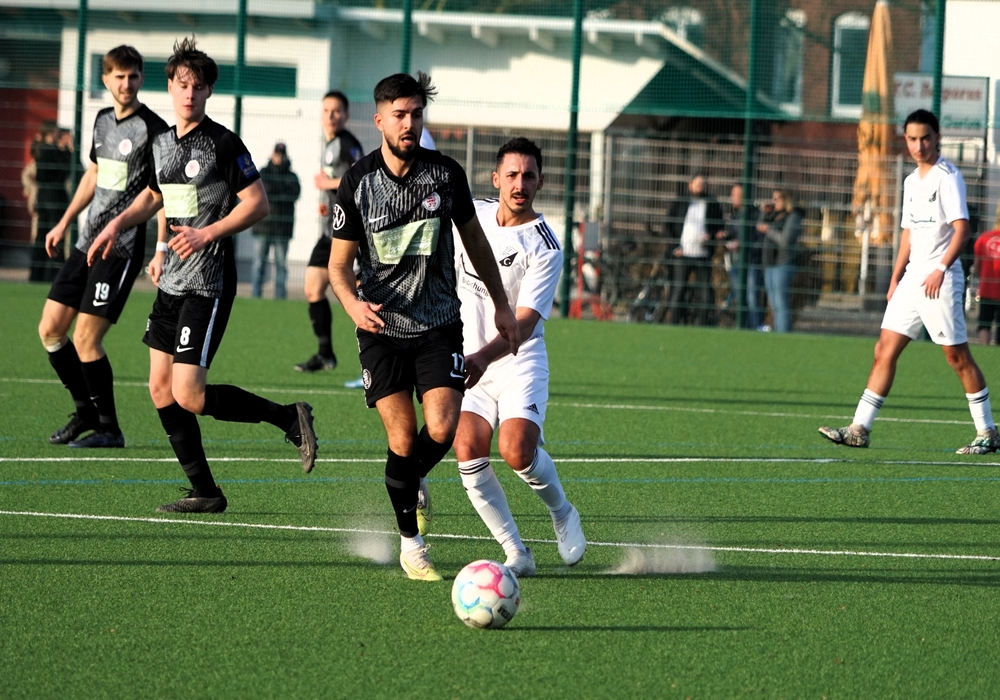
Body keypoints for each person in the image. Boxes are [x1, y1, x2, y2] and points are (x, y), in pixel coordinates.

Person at [89, 37, 318, 513]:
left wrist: (207, 233)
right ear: (170, 87)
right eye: (182, 84)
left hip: (207, 283)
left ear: (209, 90)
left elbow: (258, 203)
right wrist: (122, 227)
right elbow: (155, 197)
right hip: (170, 281)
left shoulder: (223, 143)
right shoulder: (160, 143)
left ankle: (288, 418)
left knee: (189, 394)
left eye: (197, 86)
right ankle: (206, 492)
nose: (189, 93)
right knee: (159, 388)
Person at [327, 72, 519, 581]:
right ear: (379, 121)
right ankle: (412, 545)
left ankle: (409, 482)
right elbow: (338, 266)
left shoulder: (445, 175)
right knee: (402, 436)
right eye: (399, 115)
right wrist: (352, 306)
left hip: (438, 323)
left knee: (441, 428)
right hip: (380, 327)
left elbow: (476, 243)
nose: (409, 124)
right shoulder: (357, 183)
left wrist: (502, 305)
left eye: (416, 114)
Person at [819, 109, 998, 454]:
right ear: (906, 139)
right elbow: (908, 233)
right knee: (883, 349)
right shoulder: (911, 180)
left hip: (939, 280)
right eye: (913, 139)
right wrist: (895, 277)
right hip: (912, 278)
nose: (919, 146)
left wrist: (940, 269)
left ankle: (988, 431)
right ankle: (859, 429)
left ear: (937, 138)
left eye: (925, 138)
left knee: (956, 357)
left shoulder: (948, 176)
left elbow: (963, 230)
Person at [447, 137, 586, 577]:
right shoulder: (471, 215)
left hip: (516, 361)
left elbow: (522, 325)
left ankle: (562, 511)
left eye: (528, 176)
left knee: (516, 450)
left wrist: (481, 359)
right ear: (496, 179)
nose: (519, 184)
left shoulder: (545, 245)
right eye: (511, 175)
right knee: (467, 448)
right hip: (469, 361)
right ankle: (516, 552)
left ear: (540, 182)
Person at [37, 45, 168, 448]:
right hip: (85, 241)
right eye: (119, 76)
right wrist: (64, 221)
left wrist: (161, 248)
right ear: (106, 79)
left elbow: (162, 192)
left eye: (133, 76)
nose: (126, 84)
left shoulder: (155, 129)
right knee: (50, 330)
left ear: (141, 78)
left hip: (121, 248)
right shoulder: (101, 120)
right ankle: (85, 413)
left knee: (86, 338)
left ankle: (109, 429)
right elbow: (93, 174)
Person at [295, 90, 365, 373]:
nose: (331, 116)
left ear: (346, 116)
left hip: (349, 230)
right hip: (330, 229)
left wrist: (328, 185)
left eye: (336, 111)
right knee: (313, 287)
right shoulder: (330, 143)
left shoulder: (348, 144)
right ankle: (325, 354)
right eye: (326, 110)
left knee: (361, 292)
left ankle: (385, 350)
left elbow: (359, 178)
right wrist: (328, 202)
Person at [664, 174, 724, 326]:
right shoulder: (680, 201)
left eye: (703, 185)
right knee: (679, 289)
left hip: (702, 254)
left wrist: (711, 236)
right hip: (683, 254)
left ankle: (702, 325)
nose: (700, 188)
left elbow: (719, 225)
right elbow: (668, 225)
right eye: (698, 184)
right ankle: (674, 323)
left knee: (704, 291)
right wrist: (674, 247)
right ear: (690, 185)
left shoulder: (711, 203)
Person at [252, 142, 300, 299]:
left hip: (282, 228)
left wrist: (274, 190)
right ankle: (255, 295)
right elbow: (263, 191)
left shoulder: (291, 176)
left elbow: (293, 193)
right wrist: (280, 190)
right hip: (263, 226)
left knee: (280, 264)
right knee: (259, 262)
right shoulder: (264, 173)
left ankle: (280, 296)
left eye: (282, 154)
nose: (279, 157)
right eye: (277, 154)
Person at [30, 121, 72, 282]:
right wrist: (68, 150)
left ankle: (38, 274)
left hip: (45, 198)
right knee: (54, 236)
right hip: (54, 198)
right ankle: (52, 273)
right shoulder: (49, 150)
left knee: (42, 236)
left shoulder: (42, 149)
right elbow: (66, 169)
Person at [758, 188, 802, 333]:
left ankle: (783, 334)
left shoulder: (793, 217)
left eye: (777, 199)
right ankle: (778, 331)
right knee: (773, 304)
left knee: (781, 302)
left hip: (783, 263)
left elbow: (785, 240)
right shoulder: (774, 215)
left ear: (786, 200)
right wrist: (764, 213)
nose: (774, 202)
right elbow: (759, 226)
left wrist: (769, 230)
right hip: (769, 264)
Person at [972, 221, 1000, 345]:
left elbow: (977, 264)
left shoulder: (984, 238)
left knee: (984, 322)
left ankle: (984, 348)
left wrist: (981, 278)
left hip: (986, 287)